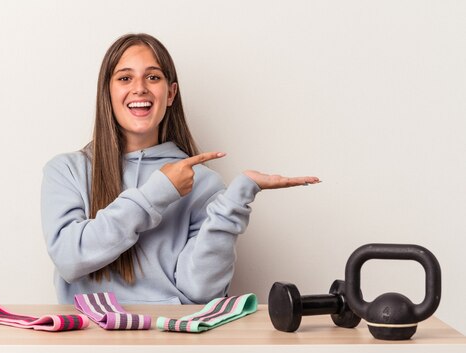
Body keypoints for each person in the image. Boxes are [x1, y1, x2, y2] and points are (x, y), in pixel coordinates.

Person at [41, 33, 319, 305]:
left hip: (167, 337)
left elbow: (201, 293)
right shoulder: (66, 171)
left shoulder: (202, 181)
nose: (140, 88)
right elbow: (68, 259)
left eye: (153, 77)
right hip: (87, 340)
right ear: (107, 92)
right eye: (125, 78)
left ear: (171, 93)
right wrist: (156, 193)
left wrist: (236, 199)